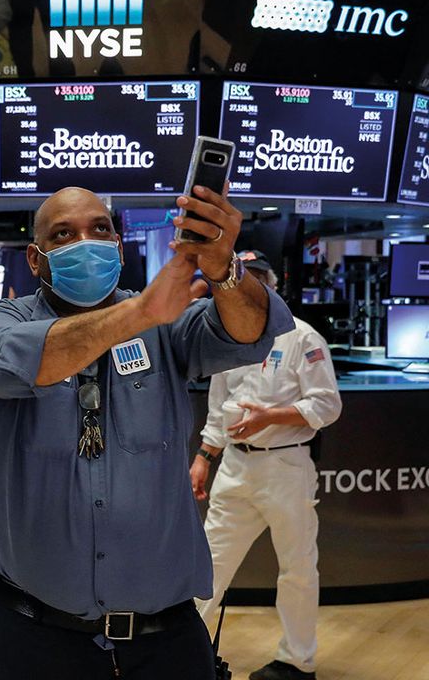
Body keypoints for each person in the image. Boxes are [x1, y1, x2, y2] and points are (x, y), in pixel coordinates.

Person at [0, 185, 293, 679]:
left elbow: (250, 332)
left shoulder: (166, 326)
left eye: (100, 229)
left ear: (118, 245)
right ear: (35, 258)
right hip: (28, 637)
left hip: (163, 642)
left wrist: (223, 267)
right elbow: (14, 360)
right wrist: (138, 313)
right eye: (63, 234)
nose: (86, 242)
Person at [191, 250, 342, 680]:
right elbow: (219, 408)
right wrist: (205, 457)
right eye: (239, 284)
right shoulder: (229, 340)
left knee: (296, 568)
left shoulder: (302, 338)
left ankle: (298, 661)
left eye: (255, 283)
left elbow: (327, 405)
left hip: (285, 469)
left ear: (271, 288)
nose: (245, 292)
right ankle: (185, 653)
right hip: (235, 469)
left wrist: (270, 417)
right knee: (208, 564)